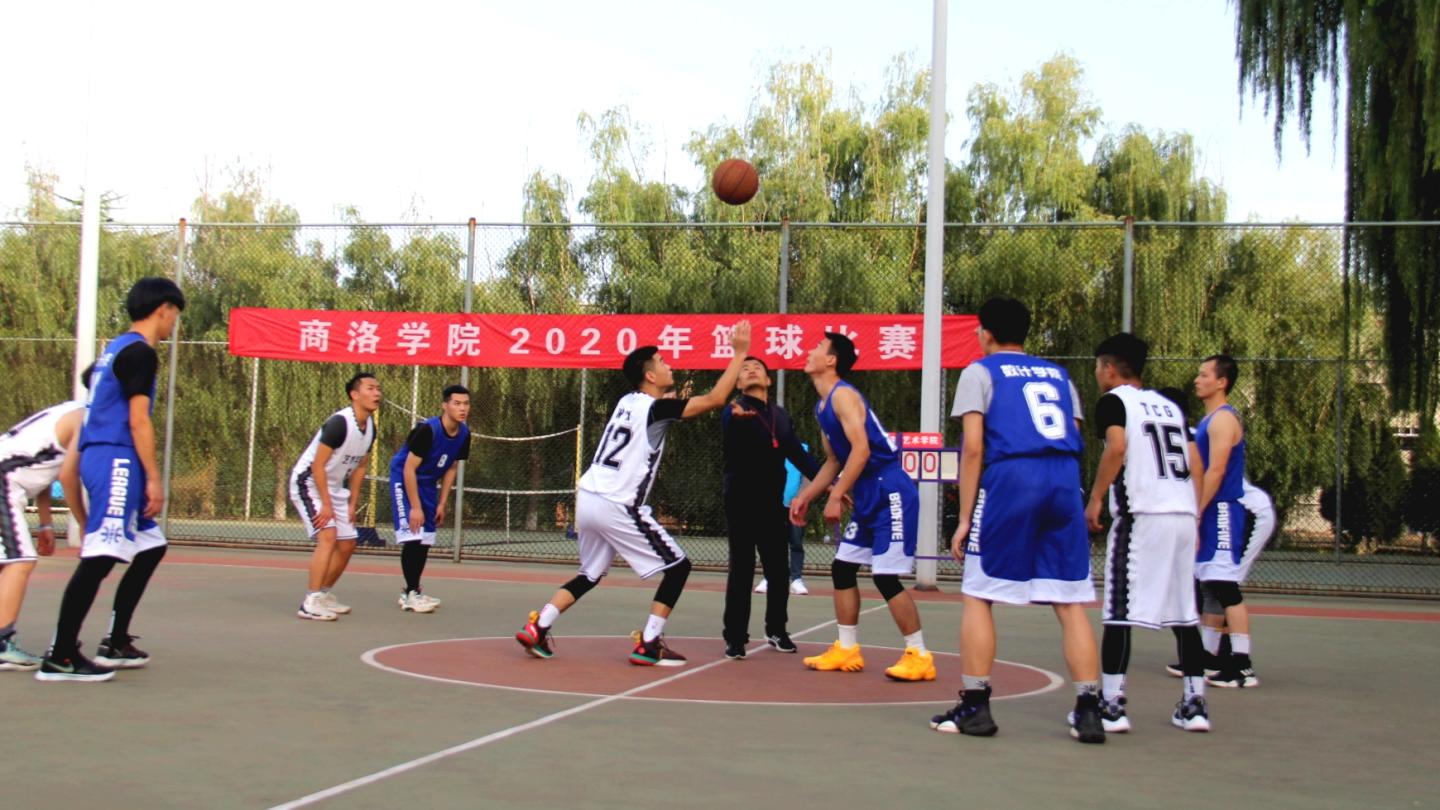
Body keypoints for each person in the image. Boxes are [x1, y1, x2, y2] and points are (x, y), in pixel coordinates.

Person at [515, 321, 752, 666]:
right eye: (662, 362)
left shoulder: (627, 402)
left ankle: (539, 626)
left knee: (590, 574)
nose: (669, 365)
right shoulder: (654, 409)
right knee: (679, 567)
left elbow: (665, 410)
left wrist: (681, 400)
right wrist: (740, 353)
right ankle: (650, 642)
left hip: (589, 497)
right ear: (650, 376)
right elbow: (714, 399)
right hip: (617, 504)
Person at [928, 297, 1104, 743]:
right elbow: (1074, 433)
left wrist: (964, 518)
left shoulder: (980, 372)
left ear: (985, 333)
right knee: (1070, 602)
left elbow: (973, 447)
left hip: (1012, 478)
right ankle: (1089, 710)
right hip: (1063, 480)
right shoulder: (1059, 376)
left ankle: (976, 706)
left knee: (978, 593)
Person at [37, 278, 185, 682]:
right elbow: (138, 421)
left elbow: (93, 380)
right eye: (174, 315)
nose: (174, 324)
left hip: (105, 455)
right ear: (163, 310)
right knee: (100, 557)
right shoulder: (141, 353)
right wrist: (153, 478)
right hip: (117, 458)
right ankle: (61, 655)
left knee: (151, 546)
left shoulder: (115, 349)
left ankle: (116, 641)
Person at [788, 333, 935, 682]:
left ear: (831, 360)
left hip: (890, 489)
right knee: (842, 569)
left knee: (884, 576)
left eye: (817, 348)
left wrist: (837, 495)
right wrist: (806, 496)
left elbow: (862, 450)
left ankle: (919, 655)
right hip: (870, 491)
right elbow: (834, 460)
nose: (809, 351)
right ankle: (847, 648)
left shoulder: (844, 396)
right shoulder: (823, 407)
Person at [1085, 333, 1211, 732]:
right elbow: (1194, 462)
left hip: (1143, 513)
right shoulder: (1170, 406)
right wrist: (1195, 514)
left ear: (1109, 369)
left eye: (1098, 367)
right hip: (1182, 513)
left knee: (1119, 611)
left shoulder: (1114, 402)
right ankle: (1194, 704)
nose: (1096, 374)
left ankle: (1112, 705)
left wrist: (1096, 497)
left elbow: (1117, 448)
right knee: (1185, 614)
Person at [720, 357, 819, 659]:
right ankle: (735, 637)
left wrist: (830, 483)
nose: (751, 370)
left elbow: (798, 455)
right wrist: (736, 418)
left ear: (767, 380)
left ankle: (777, 630)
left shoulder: (780, 416)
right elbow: (729, 425)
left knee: (778, 569)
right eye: (744, 369)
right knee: (742, 568)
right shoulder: (734, 410)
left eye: (757, 368)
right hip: (740, 500)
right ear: (738, 383)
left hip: (772, 503)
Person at [1192, 355, 1268, 688]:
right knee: (1210, 584)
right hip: (1212, 510)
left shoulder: (1223, 419)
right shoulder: (1209, 420)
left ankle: (1242, 666)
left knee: (1226, 586)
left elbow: (1217, 470)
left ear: (1221, 382)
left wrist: (1197, 511)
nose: (1197, 379)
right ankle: (1209, 657)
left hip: (1222, 509)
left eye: (1204, 375)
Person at [0, 392, 87, 671]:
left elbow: (45, 467)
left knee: (9, 563)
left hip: (8, 479)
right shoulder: (83, 419)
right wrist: (84, 524)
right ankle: (2, 646)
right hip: (3, 481)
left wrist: (45, 523)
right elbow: (67, 475)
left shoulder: (67, 411)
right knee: (20, 562)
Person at [291, 372, 380, 621]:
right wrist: (326, 505)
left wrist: (352, 503)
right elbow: (318, 465)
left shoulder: (370, 428)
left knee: (348, 543)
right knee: (328, 537)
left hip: (334, 488)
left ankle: (323, 594)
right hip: (308, 483)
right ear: (355, 394)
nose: (377, 393)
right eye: (370, 388)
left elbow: (361, 466)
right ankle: (310, 602)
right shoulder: (339, 423)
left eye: (378, 389)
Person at [390, 384, 470, 613]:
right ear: (445, 405)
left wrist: (442, 502)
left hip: (427, 483)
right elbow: (408, 468)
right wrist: (415, 507)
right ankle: (410, 594)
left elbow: (452, 467)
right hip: (404, 478)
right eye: (457, 403)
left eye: (466, 403)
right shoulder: (427, 430)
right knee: (413, 536)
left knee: (425, 539)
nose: (462, 408)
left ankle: (413, 590)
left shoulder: (464, 434)